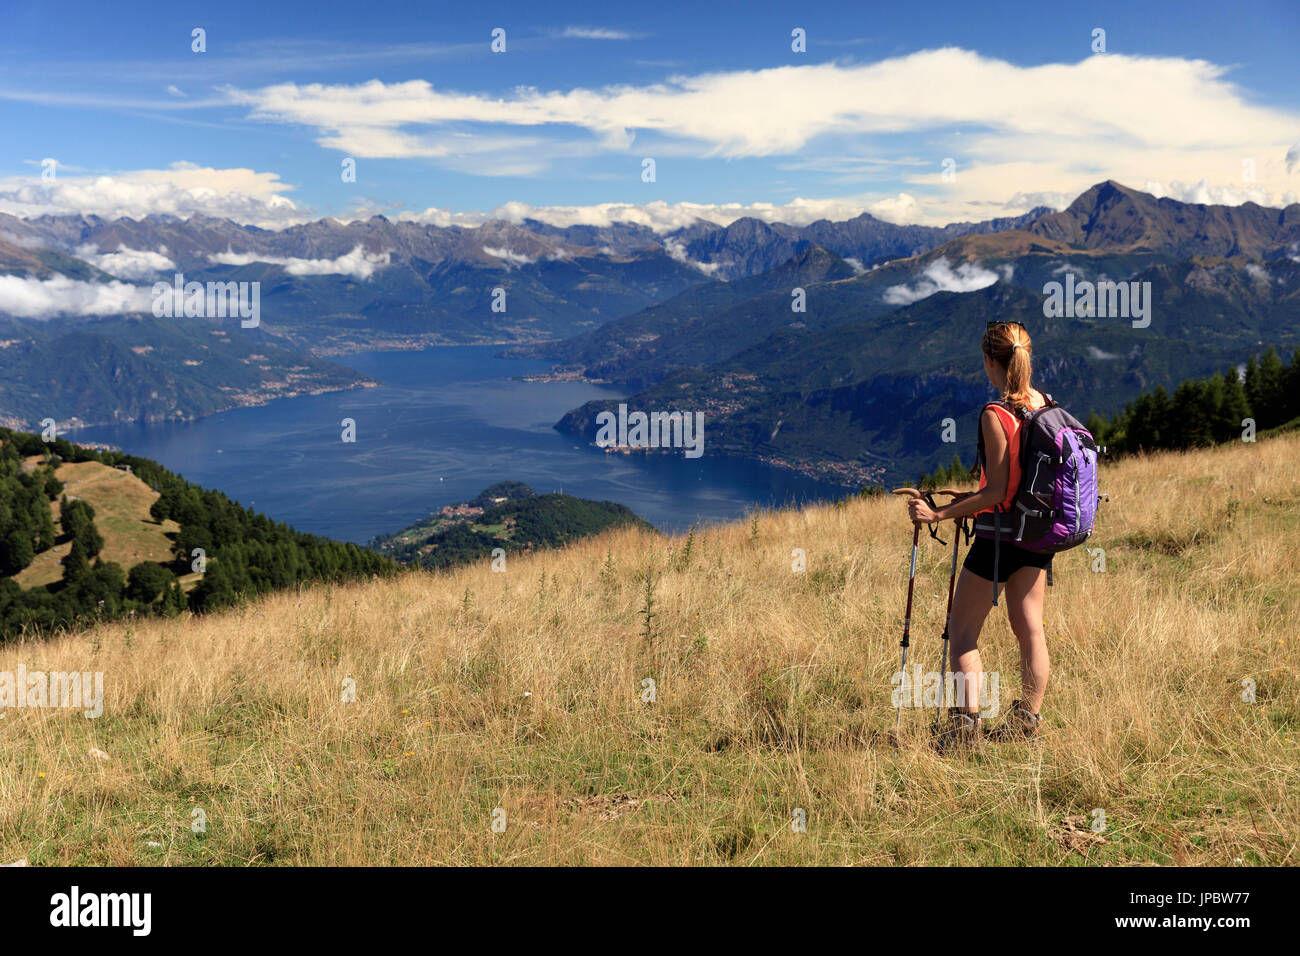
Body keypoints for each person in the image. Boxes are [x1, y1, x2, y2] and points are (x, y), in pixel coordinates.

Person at [905, 321, 1049, 751]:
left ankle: (965, 731)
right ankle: (1028, 723)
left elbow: (998, 491)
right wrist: (967, 496)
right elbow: (1016, 482)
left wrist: (939, 513)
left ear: (990, 360)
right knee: (1030, 629)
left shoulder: (996, 413)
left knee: (963, 631)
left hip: (999, 536)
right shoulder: (1043, 403)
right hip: (1037, 532)